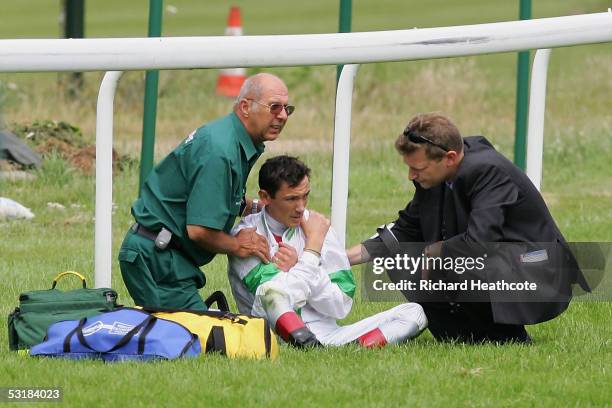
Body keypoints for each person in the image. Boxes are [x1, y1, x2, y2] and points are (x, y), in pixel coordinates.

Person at [347, 112, 588, 344]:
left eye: (418, 169)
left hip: (539, 266)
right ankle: (463, 337)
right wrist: (340, 259)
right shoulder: (436, 174)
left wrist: (435, 251)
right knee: (399, 258)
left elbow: (480, 242)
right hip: (500, 262)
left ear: (449, 158)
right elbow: (403, 231)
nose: (411, 176)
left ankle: (507, 335)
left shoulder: (488, 170)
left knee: (454, 258)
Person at [118, 73, 296, 311]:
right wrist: (238, 244)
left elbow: (217, 197)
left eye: (287, 108)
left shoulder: (232, 139)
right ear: (245, 107)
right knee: (203, 341)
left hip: (167, 256)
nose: (283, 116)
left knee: (208, 335)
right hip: (156, 260)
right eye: (274, 107)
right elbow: (199, 230)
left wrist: (257, 207)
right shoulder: (220, 150)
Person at [228, 155, 427, 348]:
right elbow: (282, 297)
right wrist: (312, 250)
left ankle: (353, 349)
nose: (300, 207)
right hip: (272, 337)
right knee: (270, 291)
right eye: (291, 199)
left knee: (414, 312)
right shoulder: (247, 236)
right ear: (265, 197)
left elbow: (341, 305)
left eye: (305, 196)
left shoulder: (318, 225)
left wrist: (301, 264)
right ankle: (304, 343)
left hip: (328, 337)